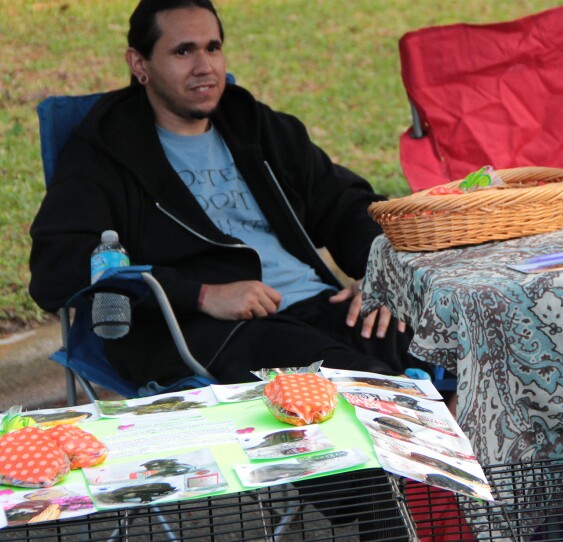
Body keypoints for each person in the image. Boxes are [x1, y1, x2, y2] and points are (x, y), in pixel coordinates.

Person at [29, 0, 425, 388]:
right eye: (183, 51)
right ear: (139, 64)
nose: (205, 67)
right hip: (213, 333)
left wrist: (380, 274)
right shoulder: (106, 151)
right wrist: (201, 295)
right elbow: (59, 266)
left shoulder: (252, 124)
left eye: (212, 48)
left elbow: (344, 202)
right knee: (360, 385)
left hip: (318, 308)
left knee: (448, 346)